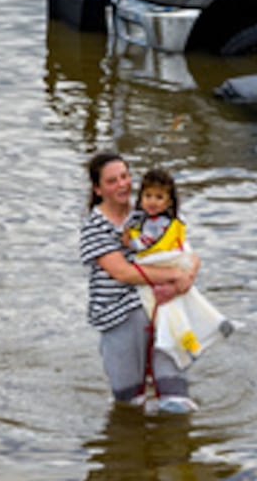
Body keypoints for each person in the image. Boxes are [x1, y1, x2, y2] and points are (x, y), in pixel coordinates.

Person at [80, 152, 199, 413]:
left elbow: (188, 255)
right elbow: (123, 272)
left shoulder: (148, 210)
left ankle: (176, 449)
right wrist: (173, 275)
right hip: (118, 317)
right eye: (112, 181)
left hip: (160, 309)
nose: (122, 184)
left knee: (175, 397)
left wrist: (185, 279)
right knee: (128, 403)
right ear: (98, 189)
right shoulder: (94, 227)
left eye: (125, 176)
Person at [124, 168, 234, 369]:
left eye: (159, 197)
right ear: (140, 198)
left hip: (161, 264)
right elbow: (187, 249)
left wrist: (126, 241)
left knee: (163, 308)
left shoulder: (155, 224)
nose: (152, 201)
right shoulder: (171, 221)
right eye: (148, 196)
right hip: (175, 264)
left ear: (168, 201)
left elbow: (144, 243)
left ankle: (185, 341)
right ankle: (215, 322)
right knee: (188, 298)